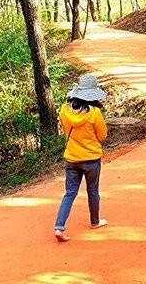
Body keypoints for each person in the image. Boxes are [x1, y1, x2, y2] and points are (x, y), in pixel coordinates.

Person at [53, 73, 109, 242]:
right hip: (91, 159)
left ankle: (59, 227)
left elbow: (64, 129)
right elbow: (102, 136)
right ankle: (95, 221)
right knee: (93, 191)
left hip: (71, 158)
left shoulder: (64, 109)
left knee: (69, 193)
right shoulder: (95, 113)